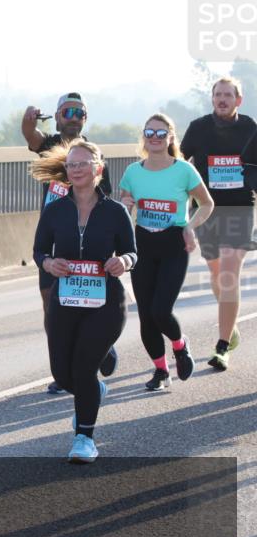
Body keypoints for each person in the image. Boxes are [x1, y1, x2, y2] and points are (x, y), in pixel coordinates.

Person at [33, 141, 136, 463]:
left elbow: (133, 252)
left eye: (83, 163)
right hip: (65, 301)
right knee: (64, 376)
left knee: (83, 367)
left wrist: (125, 262)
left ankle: (84, 438)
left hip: (105, 303)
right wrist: (49, 264)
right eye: (72, 164)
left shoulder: (115, 212)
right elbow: (38, 251)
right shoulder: (55, 210)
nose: (76, 169)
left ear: (98, 169)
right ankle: (93, 391)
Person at [22, 93, 117, 394]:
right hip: (53, 239)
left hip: (85, 240)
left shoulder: (93, 152)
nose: (73, 117)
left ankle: (100, 346)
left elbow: (107, 200)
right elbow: (29, 134)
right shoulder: (50, 146)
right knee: (52, 305)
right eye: (67, 111)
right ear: (58, 116)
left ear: (85, 119)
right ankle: (61, 368)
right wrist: (28, 116)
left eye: (79, 112)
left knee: (86, 301)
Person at [117, 114, 213, 390]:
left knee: (161, 310)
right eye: (150, 132)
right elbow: (124, 207)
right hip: (143, 244)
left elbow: (206, 204)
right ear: (144, 137)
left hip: (174, 243)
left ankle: (180, 347)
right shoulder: (133, 172)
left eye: (161, 133)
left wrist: (190, 227)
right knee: (146, 315)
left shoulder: (183, 170)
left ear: (171, 137)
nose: (155, 137)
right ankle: (160, 371)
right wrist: (126, 204)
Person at [180, 76, 257, 371]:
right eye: (217, 95)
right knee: (215, 274)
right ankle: (231, 328)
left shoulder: (251, 128)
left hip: (240, 209)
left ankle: (222, 345)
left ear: (239, 100)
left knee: (228, 274)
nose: (222, 99)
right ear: (212, 99)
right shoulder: (199, 128)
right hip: (207, 210)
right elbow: (179, 163)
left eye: (228, 95)